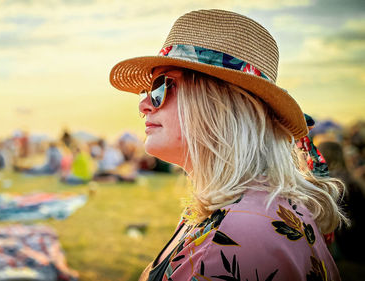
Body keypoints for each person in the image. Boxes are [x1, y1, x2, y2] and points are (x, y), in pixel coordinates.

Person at [109, 9, 347, 281]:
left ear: (219, 103)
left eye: (163, 86)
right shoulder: (243, 206)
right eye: (148, 91)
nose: (143, 104)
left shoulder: (238, 236)